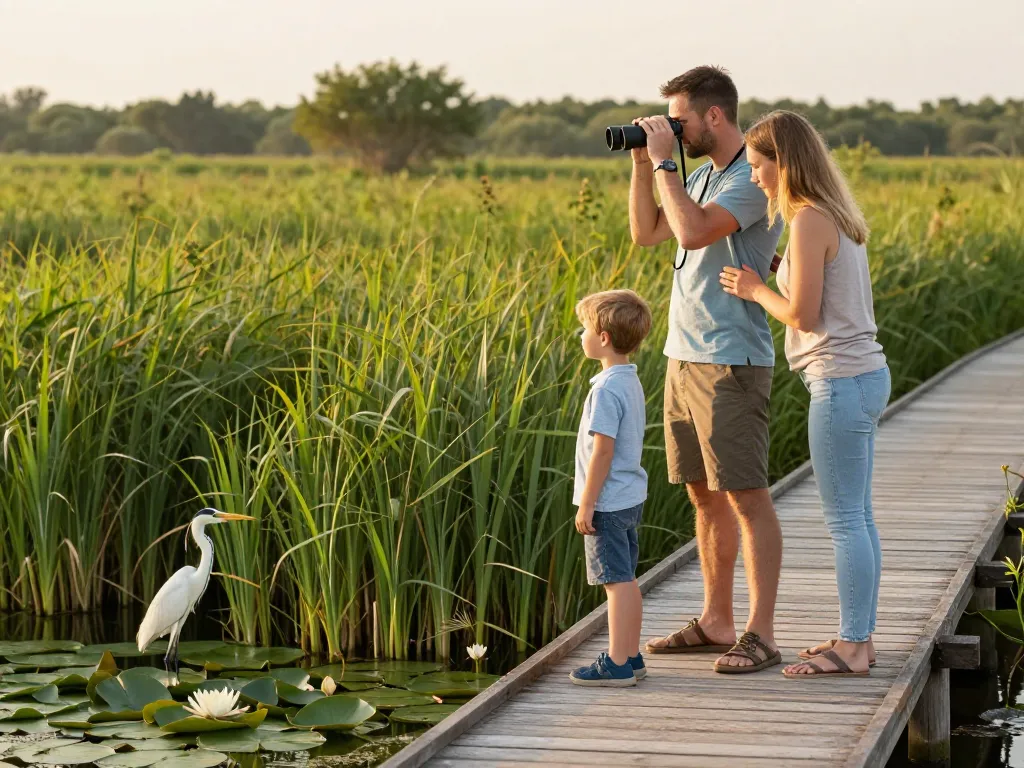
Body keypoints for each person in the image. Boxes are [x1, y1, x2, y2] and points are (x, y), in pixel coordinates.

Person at [720, 110, 891, 678]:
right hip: (863, 375)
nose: (755, 177)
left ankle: (850, 647)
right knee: (859, 516)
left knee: (845, 520)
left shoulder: (809, 220)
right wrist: (778, 272)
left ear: (784, 163)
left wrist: (755, 289)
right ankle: (859, 642)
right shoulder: (834, 217)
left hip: (839, 380)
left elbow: (804, 314)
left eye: (759, 166)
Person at [631, 66, 785, 674]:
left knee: (746, 497)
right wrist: (647, 166)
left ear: (714, 116)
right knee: (702, 496)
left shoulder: (751, 176)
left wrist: (667, 163)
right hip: (683, 354)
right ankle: (717, 620)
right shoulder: (700, 172)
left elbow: (693, 232)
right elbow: (648, 234)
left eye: (680, 119)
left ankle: (761, 633)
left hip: (731, 362)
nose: (673, 128)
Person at [568, 289, 653, 687]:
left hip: (607, 501)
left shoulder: (604, 389)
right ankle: (631, 655)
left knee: (615, 584)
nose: (579, 335)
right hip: (628, 496)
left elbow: (602, 451)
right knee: (626, 579)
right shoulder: (629, 381)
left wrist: (587, 504)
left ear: (603, 337)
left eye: (584, 328)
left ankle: (617, 663)